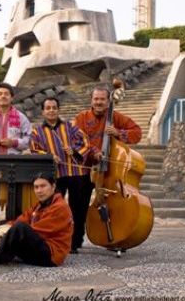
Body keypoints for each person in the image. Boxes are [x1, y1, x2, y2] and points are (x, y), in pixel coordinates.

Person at [74, 82, 142, 252]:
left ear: (108, 101)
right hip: (86, 168)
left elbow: (137, 132)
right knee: (78, 205)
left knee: (114, 204)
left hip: (110, 171)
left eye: (102, 99)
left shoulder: (116, 117)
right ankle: (75, 241)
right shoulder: (81, 118)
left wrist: (120, 133)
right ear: (91, 100)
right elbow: (77, 140)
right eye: (96, 99)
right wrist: (94, 152)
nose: (99, 102)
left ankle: (115, 238)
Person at [0, 173, 73, 267]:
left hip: (50, 256)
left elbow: (39, 231)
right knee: (2, 223)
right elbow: (24, 217)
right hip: (37, 247)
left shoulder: (60, 207)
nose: (39, 190)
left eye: (43, 186)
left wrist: (10, 231)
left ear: (53, 186)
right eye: (36, 187)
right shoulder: (39, 204)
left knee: (20, 228)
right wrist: (6, 226)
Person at [30, 97, 89, 254]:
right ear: (43, 111)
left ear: (58, 110)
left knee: (77, 209)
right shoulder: (37, 131)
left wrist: (73, 150)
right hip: (54, 176)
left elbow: (85, 141)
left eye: (54, 107)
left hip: (74, 173)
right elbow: (34, 149)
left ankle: (75, 242)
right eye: (48, 108)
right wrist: (49, 156)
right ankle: (55, 239)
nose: (51, 110)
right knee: (55, 209)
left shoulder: (70, 126)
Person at [0, 82, 31, 216]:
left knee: (14, 202)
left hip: (14, 164)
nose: (3, 96)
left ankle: (13, 231)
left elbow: (28, 140)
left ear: (12, 97)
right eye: (0, 94)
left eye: (6, 94)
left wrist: (13, 142)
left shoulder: (21, 117)